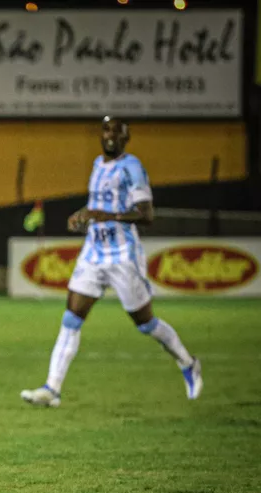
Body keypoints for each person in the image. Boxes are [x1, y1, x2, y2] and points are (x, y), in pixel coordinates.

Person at [20, 117, 202, 408]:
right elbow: (97, 207)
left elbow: (146, 215)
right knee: (71, 318)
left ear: (126, 137)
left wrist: (110, 216)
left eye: (118, 131)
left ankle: (188, 362)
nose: (111, 136)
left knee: (145, 323)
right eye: (106, 130)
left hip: (122, 255)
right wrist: (82, 215)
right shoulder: (97, 165)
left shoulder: (132, 167)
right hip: (94, 253)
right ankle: (51, 389)